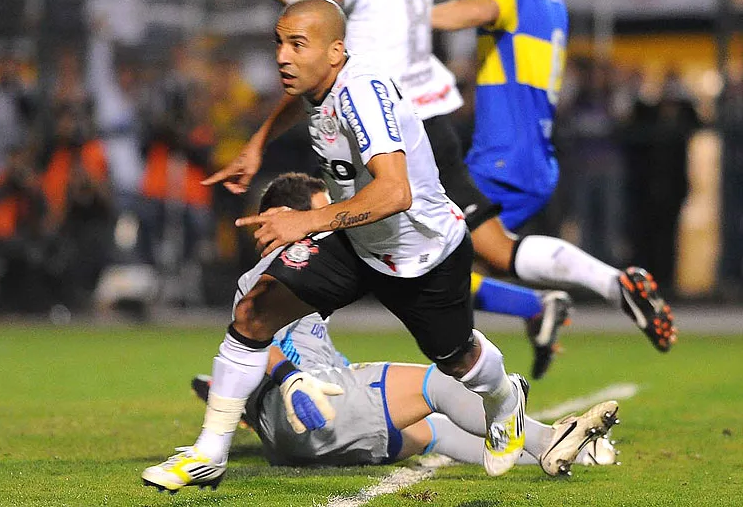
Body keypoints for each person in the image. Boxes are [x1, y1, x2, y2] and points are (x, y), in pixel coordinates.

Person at [218, 0, 673, 374]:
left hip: (386, 120)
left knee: (387, 235)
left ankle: (270, 356)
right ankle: (551, 303)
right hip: (433, 117)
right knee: (471, 246)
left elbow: (315, 3)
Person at [142, 0, 526, 493]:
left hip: (422, 253)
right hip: (358, 240)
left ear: (336, 52)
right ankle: (209, 454)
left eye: (297, 44)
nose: (283, 56)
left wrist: (309, 221)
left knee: (458, 360)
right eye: (279, 43)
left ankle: (505, 399)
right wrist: (258, 143)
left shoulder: (361, 95)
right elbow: (295, 99)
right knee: (254, 315)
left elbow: (395, 191)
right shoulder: (317, 79)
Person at [188, 172, 620, 476]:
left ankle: (578, 452)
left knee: (433, 432)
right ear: (286, 217)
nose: (330, 223)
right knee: (444, 384)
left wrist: (234, 395)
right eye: (320, 214)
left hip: (299, 435)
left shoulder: (307, 276)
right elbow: (257, 344)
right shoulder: (270, 276)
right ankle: (547, 441)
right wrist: (286, 378)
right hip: (311, 411)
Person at [431, 0, 676, 351]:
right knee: (462, 265)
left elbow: (482, 9)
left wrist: (410, 17)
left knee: (428, 268)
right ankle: (550, 304)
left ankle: (607, 286)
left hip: (501, 156)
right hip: (536, 155)